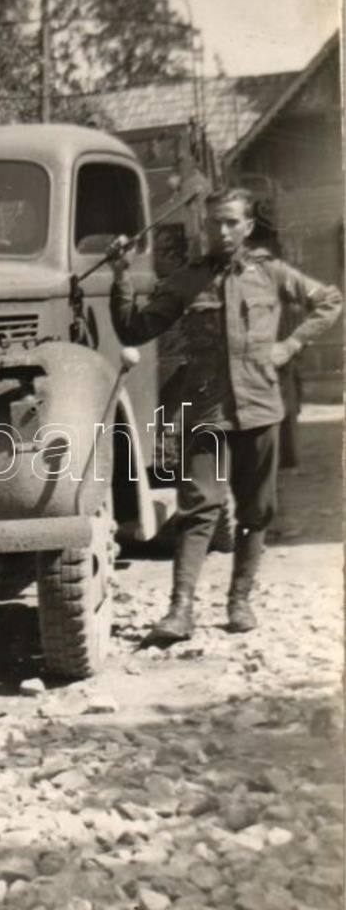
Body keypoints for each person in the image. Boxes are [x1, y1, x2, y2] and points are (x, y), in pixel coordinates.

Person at [109, 186, 342, 642]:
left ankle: (240, 602)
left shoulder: (270, 272)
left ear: (247, 226)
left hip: (259, 408)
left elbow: (330, 300)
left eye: (232, 221)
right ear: (203, 225)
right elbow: (134, 327)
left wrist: (291, 345)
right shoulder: (185, 280)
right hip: (207, 413)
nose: (222, 229)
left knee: (257, 511)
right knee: (199, 509)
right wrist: (121, 274)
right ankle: (180, 611)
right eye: (214, 221)